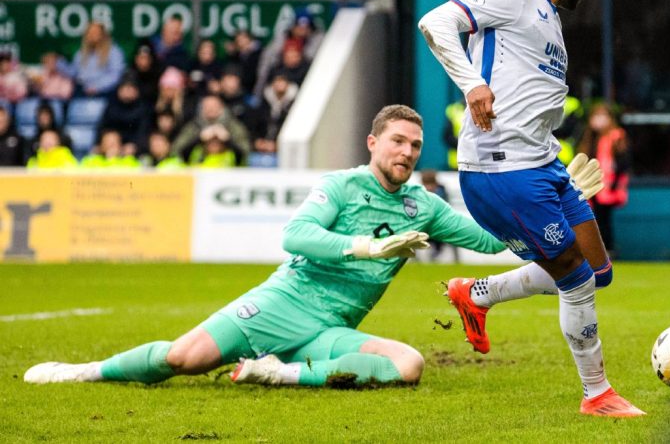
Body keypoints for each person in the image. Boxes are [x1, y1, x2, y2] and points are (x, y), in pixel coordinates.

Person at [23, 105, 508, 390]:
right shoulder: (339, 186)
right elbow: (295, 236)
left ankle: (282, 374)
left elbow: (488, 239)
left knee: (408, 366)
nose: (406, 152)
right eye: (397, 141)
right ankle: (85, 372)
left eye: (415, 146)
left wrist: (552, 205)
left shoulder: (422, 205)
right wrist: (365, 249)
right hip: (284, 302)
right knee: (182, 360)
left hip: (331, 329)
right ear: (373, 143)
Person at [418, 0, 643, 417]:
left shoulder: (550, 22)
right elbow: (435, 23)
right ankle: (597, 394)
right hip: (502, 171)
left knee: (597, 272)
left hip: (543, 164)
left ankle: (477, 294)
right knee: (575, 280)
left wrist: (555, 156)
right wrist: (473, 85)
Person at [577, 102, 630, 256]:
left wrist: (614, 185)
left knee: (603, 220)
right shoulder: (588, 137)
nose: (598, 120)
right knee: (592, 220)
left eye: (602, 116)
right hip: (589, 186)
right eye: (595, 116)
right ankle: (598, 251)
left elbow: (623, 162)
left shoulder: (617, 135)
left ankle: (607, 250)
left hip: (606, 187)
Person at [255, 10, 323, 98]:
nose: (302, 30)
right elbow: (265, 67)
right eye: (299, 26)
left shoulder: (316, 41)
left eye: (306, 27)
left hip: (304, 80)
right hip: (280, 77)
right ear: (293, 26)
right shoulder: (281, 41)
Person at [172, 95, 251, 165]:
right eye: (206, 106)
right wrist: (200, 138)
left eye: (214, 106)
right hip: (198, 169)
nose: (210, 109)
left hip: (228, 170)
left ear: (222, 107)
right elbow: (177, 151)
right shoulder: (193, 127)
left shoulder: (234, 126)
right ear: (201, 109)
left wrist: (227, 140)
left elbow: (246, 153)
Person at [66, 21, 125, 97]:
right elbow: (73, 72)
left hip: (105, 93)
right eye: (89, 33)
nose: (92, 35)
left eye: (95, 32)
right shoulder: (81, 53)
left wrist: (97, 86)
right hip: (82, 91)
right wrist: (58, 64)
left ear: (103, 34)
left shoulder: (114, 51)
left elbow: (116, 75)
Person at [97, 76, 152, 155]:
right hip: (111, 148)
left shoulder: (143, 109)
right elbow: (103, 127)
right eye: (124, 88)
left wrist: (136, 146)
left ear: (136, 91)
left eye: (130, 88)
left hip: (135, 150)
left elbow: (144, 132)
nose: (127, 92)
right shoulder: (111, 106)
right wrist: (100, 144)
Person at [252, 73, 297, 154]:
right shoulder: (264, 103)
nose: (279, 84)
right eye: (277, 81)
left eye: (282, 81)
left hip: (285, 148)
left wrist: (277, 144)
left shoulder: (296, 104)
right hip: (262, 148)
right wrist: (258, 141)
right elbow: (255, 125)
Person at [225, 30, 261, 96]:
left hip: (255, 88)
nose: (241, 42)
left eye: (243, 39)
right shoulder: (237, 55)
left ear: (249, 39)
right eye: (238, 40)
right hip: (241, 88)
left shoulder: (259, 53)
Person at [128, 41, 164, 107]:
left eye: (146, 58)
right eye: (141, 58)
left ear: (151, 59)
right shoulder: (129, 73)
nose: (144, 62)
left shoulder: (159, 74)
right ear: (136, 59)